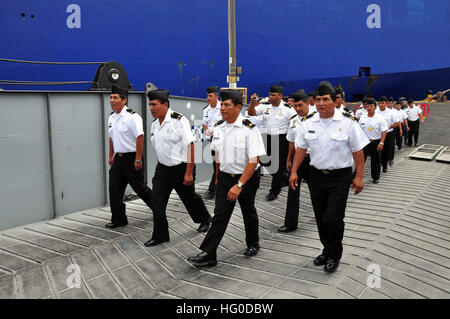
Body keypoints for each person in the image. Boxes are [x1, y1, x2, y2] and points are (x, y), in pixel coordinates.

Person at [289, 81, 369, 273]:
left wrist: (359, 177)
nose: (321, 103)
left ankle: (335, 254)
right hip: (316, 176)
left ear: (335, 101)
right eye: (318, 99)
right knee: (320, 217)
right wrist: (293, 171)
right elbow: (301, 148)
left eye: (326, 99)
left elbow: (358, 152)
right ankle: (326, 249)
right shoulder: (308, 123)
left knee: (332, 218)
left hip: (340, 178)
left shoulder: (348, 123)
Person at [187, 89, 266, 267]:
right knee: (220, 214)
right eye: (222, 104)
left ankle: (253, 243)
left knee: (248, 210)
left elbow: (254, 161)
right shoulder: (220, 127)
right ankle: (209, 253)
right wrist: (217, 177)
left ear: (238, 107)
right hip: (225, 177)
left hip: (247, 177)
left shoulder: (249, 129)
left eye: (226, 105)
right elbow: (219, 154)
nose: (222, 108)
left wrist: (239, 185)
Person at [144, 89, 211, 247]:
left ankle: (205, 219)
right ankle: (160, 235)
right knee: (157, 202)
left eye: (154, 105)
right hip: (162, 171)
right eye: (150, 105)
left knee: (190, 198)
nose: (151, 108)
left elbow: (190, 146)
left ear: (165, 104)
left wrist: (188, 173)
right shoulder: (155, 125)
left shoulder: (179, 121)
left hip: (181, 169)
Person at [106, 85, 153, 229]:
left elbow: (140, 138)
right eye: (111, 98)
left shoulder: (133, 117)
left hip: (132, 158)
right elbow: (111, 138)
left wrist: (138, 158)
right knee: (114, 189)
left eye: (115, 98)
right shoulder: (111, 117)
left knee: (141, 189)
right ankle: (119, 219)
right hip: (118, 160)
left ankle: (158, 208)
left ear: (124, 100)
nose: (112, 101)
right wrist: (111, 156)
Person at [247, 85, 297, 201]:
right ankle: (283, 178)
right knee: (265, 161)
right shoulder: (265, 107)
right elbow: (252, 113)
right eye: (269, 94)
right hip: (268, 137)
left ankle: (274, 191)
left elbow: (293, 125)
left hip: (282, 139)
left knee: (278, 167)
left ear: (280, 96)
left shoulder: (288, 109)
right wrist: (251, 103)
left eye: (273, 95)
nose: (270, 96)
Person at [278, 89, 314, 233]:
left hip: (313, 159)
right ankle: (290, 223)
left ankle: (323, 217)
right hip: (298, 160)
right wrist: (289, 160)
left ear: (307, 103)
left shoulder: (317, 118)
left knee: (317, 192)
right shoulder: (293, 121)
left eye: (300, 105)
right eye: (295, 106)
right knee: (293, 191)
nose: (298, 108)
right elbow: (292, 142)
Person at [358, 99, 388, 183]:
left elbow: (383, 131)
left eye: (371, 106)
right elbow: (359, 130)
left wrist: (381, 143)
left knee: (375, 161)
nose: (369, 108)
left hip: (376, 142)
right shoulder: (362, 118)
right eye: (368, 106)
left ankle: (375, 177)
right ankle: (355, 177)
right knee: (360, 160)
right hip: (364, 142)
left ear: (375, 107)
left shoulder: (380, 118)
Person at [202, 86, 222, 199]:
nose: (208, 98)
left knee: (218, 165)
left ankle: (212, 189)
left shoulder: (223, 107)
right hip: (213, 140)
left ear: (216, 96)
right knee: (216, 165)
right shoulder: (206, 110)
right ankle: (217, 187)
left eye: (210, 96)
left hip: (223, 139)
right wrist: (206, 130)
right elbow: (204, 123)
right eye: (207, 96)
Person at [376, 96, 398, 173]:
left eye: (383, 103)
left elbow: (396, 123)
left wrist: (387, 127)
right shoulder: (376, 112)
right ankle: (379, 165)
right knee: (378, 151)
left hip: (389, 133)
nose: (381, 104)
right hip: (378, 134)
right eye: (380, 103)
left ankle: (384, 165)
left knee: (386, 150)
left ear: (386, 104)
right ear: (378, 104)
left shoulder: (391, 112)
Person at [387, 97, 402, 166]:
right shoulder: (383, 110)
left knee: (391, 145)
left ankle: (391, 159)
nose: (389, 104)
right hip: (383, 131)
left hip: (392, 130)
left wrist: (400, 129)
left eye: (390, 103)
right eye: (388, 103)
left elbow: (398, 122)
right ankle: (385, 159)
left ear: (393, 104)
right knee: (384, 146)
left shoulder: (395, 111)